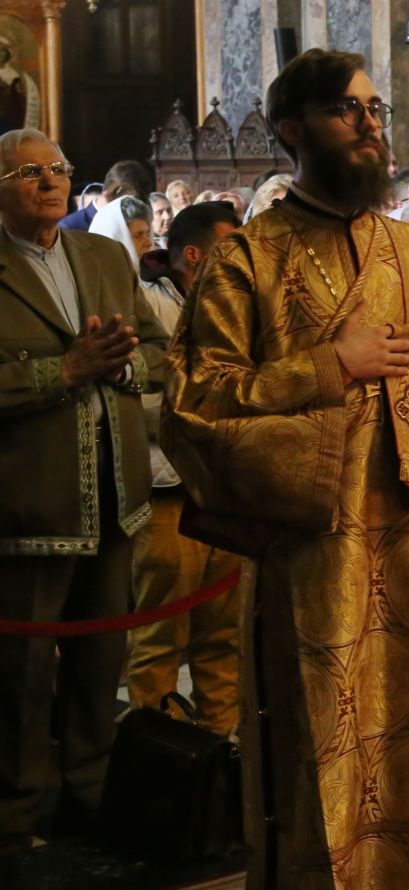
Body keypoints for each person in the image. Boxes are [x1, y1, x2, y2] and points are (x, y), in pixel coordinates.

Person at [161, 49, 409, 890]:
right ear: (294, 132)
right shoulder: (246, 259)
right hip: (312, 561)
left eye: (374, 109)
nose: (370, 125)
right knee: (319, 752)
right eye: (346, 111)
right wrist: (330, 367)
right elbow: (195, 409)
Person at [0, 130, 168, 854]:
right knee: (22, 674)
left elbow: (161, 353)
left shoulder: (102, 257)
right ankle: (14, 811)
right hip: (28, 503)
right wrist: (60, 373)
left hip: (116, 493)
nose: (50, 181)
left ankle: (90, 792)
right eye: (30, 172)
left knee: (104, 660)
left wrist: (123, 370)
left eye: (59, 169)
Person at [128, 201, 245, 735]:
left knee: (224, 640)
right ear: (194, 254)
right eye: (231, 245)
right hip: (168, 492)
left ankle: (221, 764)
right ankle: (155, 772)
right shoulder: (144, 302)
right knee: (159, 642)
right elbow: (136, 397)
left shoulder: (241, 303)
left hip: (228, 491)